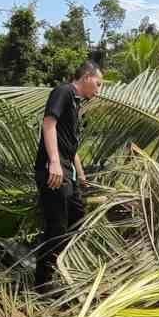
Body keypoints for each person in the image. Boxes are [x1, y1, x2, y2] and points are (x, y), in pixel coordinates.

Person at [33, 61, 103, 289]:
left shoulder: (76, 104)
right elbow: (48, 124)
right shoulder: (63, 91)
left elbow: (71, 147)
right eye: (98, 83)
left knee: (78, 217)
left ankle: (58, 266)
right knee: (57, 227)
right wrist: (53, 162)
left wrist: (81, 176)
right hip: (54, 171)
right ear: (87, 77)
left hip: (67, 172)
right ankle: (42, 283)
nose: (99, 89)